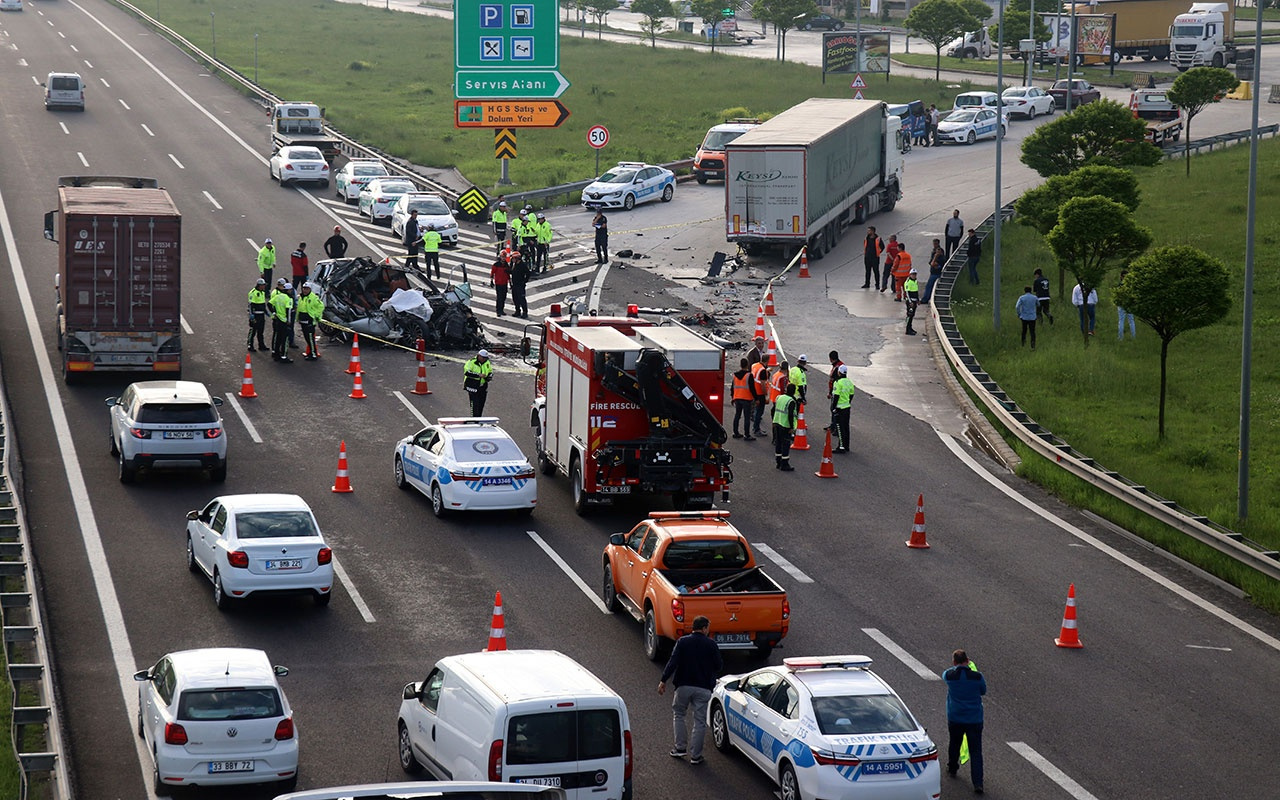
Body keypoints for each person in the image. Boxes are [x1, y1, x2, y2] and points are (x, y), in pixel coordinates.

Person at [657, 615, 721, 766]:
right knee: (699, 722)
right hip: (703, 688)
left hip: (683, 686)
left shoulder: (683, 642)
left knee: (679, 715)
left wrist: (663, 680)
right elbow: (718, 665)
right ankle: (696, 756)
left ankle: (680, 748)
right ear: (704, 628)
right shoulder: (711, 645)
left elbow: (673, 662)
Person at [943, 650, 986, 794]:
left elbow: (946, 673)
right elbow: (983, 691)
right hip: (974, 719)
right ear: (967, 660)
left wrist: (958, 666)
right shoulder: (977, 676)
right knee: (976, 751)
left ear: (954, 662)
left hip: (955, 717)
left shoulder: (949, 676)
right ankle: (978, 782)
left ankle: (953, 768)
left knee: (954, 744)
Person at [772, 384, 798, 471]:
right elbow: (790, 415)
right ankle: (785, 463)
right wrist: (791, 427)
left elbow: (773, 410)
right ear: (794, 391)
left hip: (777, 423)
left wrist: (774, 421)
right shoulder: (791, 401)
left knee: (778, 443)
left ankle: (778, 462)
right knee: (786, 444)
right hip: (785, 425)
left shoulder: (779, 397)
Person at [296, 282, 325, 360]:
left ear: (310, 289)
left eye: (307, 289)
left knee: (310, 338)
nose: (305, 290)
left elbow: (321, 306)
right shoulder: (301, 297)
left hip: (309, 321)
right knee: (307, 338)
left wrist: (315, 315)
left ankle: (313, 354)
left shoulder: (313, 298)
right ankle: (310, 353)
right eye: (304, 288)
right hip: (303, 321)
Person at [830, 365, 855, 453]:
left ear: (839, 372)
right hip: (847, 407)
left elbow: (836, 396)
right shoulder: (849, 382)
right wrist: (848, 402)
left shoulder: (838, 382)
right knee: (846, 427)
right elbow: (851, 394)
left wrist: (833, 408)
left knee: (840, 428)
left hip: (839, 408)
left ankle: (841, 447)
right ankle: (846, 445)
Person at [730, 358, 756, 441]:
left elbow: (732, 388)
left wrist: (732, 397)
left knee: (737, 415)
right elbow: (752, 388)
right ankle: (747, 434)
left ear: (740, 365)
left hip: (737, 398)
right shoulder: (749, 375)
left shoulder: (735, 375)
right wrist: (756, 398)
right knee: (747, 417)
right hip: (746, 398)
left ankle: (735, 432)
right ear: (747, 365)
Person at [269, 280, 294, 363]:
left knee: (278, 338)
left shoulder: (278, 296)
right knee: (285, 340)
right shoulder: (289, 299)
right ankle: (284, 356)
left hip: (277, 320)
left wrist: (274, 312)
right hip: (284, 321)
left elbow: (269, 304)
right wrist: (289, 321)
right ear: (288, 290)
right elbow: (288, 311)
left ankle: (276, 354)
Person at [463, 349, 493, 416]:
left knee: (481, 405)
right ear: (478, 356)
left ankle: (479, 420)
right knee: (474, 405)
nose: (484, 359)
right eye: (483, 358)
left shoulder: (487, 362)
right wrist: (478, 375)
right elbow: (467, 372)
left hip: (482, 386)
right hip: (473, 386)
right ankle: (474, 419)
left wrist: (489, 376)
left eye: (485, 358)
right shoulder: (471, 362)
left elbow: (490, 370)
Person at [246, 278, 269, 352]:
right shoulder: (253, 292)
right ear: (259, 285)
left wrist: (266, 311)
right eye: (263, 285)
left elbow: (263, 303)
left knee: (261, 331)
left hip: (261, 315)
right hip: (255, 315)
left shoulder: (262, 292)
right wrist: (251, 315)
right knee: (253, 330)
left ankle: (261, 345)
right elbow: (250, 305)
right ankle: (250, 344)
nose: (264, 287)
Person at [749, 357, 769, 438]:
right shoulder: (763, 371)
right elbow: (763, 384)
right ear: (767, 361)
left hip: (754, 392)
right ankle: (756, 429)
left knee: (757, 410)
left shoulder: (755, 365)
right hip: (760, 393)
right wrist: (766, 394)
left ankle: (756, 428)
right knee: (759, 412)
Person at [922, 238, 945, 304]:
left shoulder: (940, 254)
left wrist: (936, 256)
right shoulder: (934, 251)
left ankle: (925, 299)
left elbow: (933, 263)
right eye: (934, 244)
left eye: (935, 244)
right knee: (930, 286)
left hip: (936, 273)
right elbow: (931, 262)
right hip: (933, 272)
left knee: (929, 286)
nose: (934, 245)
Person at [1016, 285, 1039, 349]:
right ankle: (1033, 345)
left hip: (1024, 317)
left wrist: (1019, 314)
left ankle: (1023, 343)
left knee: (1024, 331)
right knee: (1032, 331)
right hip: (1032, 317)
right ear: (1031, 290)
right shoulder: (1034, 297)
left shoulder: (1022, 297)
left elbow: (1017, 306)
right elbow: (1038, 304)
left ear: (1024, 291)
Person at [509, 250, 530, 319]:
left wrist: (524, 281)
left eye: (513, 258)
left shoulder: (522, 265)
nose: (512, 260)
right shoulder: (513, 264)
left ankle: (525, 312)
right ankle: (517, 311)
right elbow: (513, 272)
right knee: (515, 298)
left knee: (521, 299)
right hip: (514, 284)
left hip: (520, 285)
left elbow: (528, 273)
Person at [862, 226, 884, 290]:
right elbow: (865, 245)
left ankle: (877, 285)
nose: (868, 232)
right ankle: (867, 284)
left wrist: (878, 252)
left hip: (875, 258)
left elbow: (882, 247)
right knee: (867, 271)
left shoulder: (878, 239)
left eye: (869, 230)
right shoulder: (866, 238)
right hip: (867, 257)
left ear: (873, 231)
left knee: (876, 271)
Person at [1116, 269, 1136, 340]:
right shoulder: (1131, 285)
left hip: (1121, 304)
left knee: (1121, 320)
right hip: (1129, 304)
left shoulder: (1120, 285)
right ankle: (1133, 337)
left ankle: (1120, 337)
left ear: (1121, 276)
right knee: (1131, 320)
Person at [904, 268, 920, 335]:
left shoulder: (915, 281)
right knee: (909, 315)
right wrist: (910, 302)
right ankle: (907, 329)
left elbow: (916, 292)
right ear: (910, 275)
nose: (914, 276)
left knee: (912, 315)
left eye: (915, 274)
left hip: (914, 301)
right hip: (910, 302)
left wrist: (918, 300)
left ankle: (910, 327)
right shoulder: (908, 282)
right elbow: (907, 293)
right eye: (913, 274)